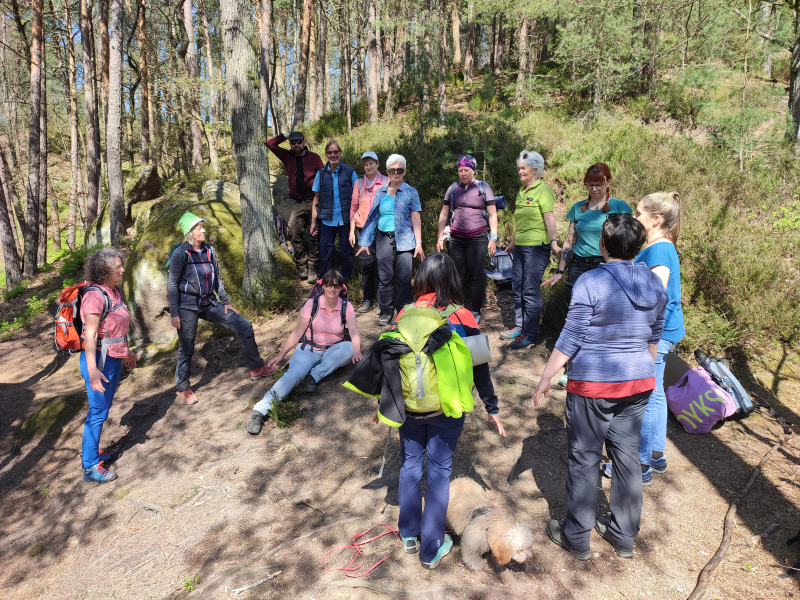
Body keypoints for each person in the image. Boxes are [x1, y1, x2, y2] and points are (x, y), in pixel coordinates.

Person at [355, 254, 505, 569]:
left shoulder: (405, 314)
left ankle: (409, 534)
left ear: (421, 279)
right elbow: (479, 369)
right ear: (453, 280)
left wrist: (383, 403)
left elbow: (390, 361)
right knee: (439, 475)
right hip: (447, 410)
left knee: (410, 466)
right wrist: (491, 407)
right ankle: (431, 547)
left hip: (408, 408)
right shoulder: (463, 316)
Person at [533, 214, 667, 561]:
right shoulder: (654, 283)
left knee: (585, 458)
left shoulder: (590, 281)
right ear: (638, 246)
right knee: (627, 457)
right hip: (638, 381)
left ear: (603, 245)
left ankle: (577, 536)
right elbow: (654, 336)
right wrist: (646, 373)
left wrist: (547, 376)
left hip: (593, 384)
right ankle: (623, 535)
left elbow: (571, 337)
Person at [601, 192, 684, 485]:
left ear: (656, 219)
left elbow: (654, 295)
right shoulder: (662, 247)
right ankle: (655, 455)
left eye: (638, 213)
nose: (635, 218)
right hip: (665, 330)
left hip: (656, 333)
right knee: (656, 392)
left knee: (646, 395)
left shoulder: (659, 250)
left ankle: (640, 464)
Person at [169, 212, 272, 405]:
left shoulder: (209, 250)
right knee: (187, 345)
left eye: (203, 227)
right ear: (190, 231)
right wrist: (174, 312)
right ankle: (183, 387)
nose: (203, 230)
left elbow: (218, 278)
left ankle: (257, 368)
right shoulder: (180, 254)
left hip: (209, 302)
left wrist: (225, 302)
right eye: (199, 228)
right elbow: (173, 285)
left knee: (244, 325)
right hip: (187, 306)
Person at [246, 270, 362, 435]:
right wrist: (282, 354)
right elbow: (298, 331)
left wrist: (357, 351)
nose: (332, 289)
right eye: (329, 285)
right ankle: (260, 410)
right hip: (308, 349)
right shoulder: (312, 304)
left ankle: (314, 376)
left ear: (341, 288)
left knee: (349, 348)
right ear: (323, 286)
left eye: (336, 286)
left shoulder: (345, 306)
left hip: (332, 350)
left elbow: (354, 331)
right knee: (293, 375)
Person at [79, 248, 137, 483]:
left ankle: (94, 453)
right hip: (98, 361)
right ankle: (90, 467)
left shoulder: (113, 292)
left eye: (121, 265)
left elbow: (114, 332)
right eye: (117, 267)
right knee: (97, 412)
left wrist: (126, 353)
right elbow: (91, 336)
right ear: (104, 270)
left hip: (111, 358)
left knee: (102, 409)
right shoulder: (94, 297)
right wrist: (93, 371)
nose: (122, 269)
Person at [542, 163, 632, 304]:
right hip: (579, 265)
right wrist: (560, 271)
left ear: (608, 182)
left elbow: (630, 238)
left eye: (599, 185)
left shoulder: (619, 206)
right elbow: (570, 241)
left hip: (608, 264)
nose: (594, 189)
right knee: (575, 307)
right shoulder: (577, 208)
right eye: (590, 185)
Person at [500, 150, 561, 349]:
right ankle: (520, 327)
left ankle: (530, 333)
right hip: (520, 247)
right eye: (519, 168)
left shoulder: (543, 191)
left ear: (535, 170)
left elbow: (549, 218)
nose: (520, 171)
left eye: (524, 168)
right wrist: (512, 242)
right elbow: (520, 222)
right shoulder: (522, 191)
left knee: (530, 290)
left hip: (537, 247)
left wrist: (554, 241)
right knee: (517, 286)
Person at [356, 153, 424, 326]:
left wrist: (419, 243)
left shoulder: (411, 192)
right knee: (385, 277)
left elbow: (416, 219)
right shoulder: (380, 192)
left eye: (399, 170)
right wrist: (365, 241)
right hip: (383, 238)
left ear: (404, 171)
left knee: (404, 278)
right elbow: (373, 217)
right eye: (392, 170)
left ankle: (403, 312)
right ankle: (386, 311)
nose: (396, 173)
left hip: (405, 239)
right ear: (387, 172)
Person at [435, 154, 498, 323]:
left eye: (466, 170)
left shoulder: (483, 187)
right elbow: (444, 214)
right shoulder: (452, 188)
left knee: (476, 275)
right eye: (460, 170)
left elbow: (492, 214)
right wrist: (440, 236)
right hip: (456, 238)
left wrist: (493, 238)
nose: (463, 173)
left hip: (478, 238)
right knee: (456, 275)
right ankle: (457, 309)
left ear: (473, 170)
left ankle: (476, 310)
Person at [266, 131, 324, 282]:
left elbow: (323, 177)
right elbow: (270, 144)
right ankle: (302, 265)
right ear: (290, 144)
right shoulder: (287, 156)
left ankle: (312, 267)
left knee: (315, 235)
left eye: (299, 141)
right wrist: (285, 135)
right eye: (293, 142)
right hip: (298, 203)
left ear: (304, 142)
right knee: (294, 234)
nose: (296, 145)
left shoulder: (314, 157)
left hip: (314, 202)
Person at [310, 139, 359, 282]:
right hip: (327, 220)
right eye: (330, 152)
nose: (333, 155)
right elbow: (316, 199)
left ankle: (345, 282)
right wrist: (313, 222)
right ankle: (325, 282)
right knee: (324, 253)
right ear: (326, 154)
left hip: (346, 220)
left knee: (347, 253)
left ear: (340, 153)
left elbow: (357, 197)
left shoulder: (350, 172)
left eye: (335, 152)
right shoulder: (320, 174)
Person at [349, 151, 388, 314]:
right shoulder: (359, 184)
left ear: (377, 164)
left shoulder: (387, 181)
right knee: (366, 264)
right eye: (365, 164)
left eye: (371, 163)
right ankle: (367, 299)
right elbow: (353, 207)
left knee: (383, 264)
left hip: (382, 229)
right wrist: (352, 231)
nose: (368, 166)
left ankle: (383, 301)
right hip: (363, 229)